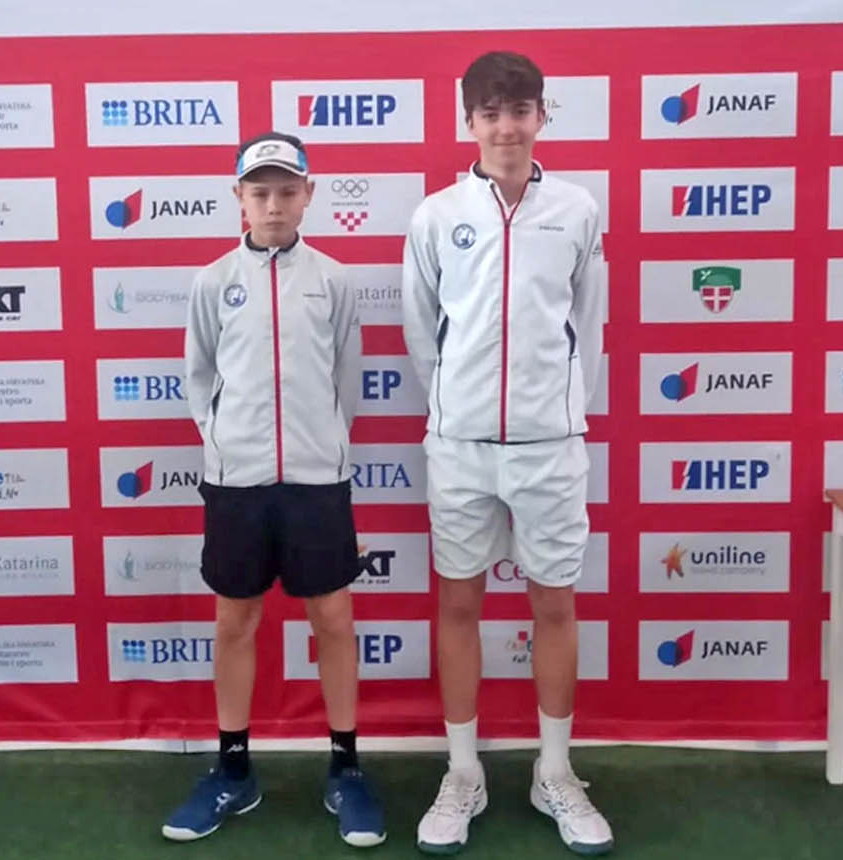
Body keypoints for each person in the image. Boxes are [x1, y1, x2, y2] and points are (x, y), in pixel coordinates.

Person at [402, 52, 612, 855]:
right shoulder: (435, 215)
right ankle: (464, 772)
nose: (506, 128)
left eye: (520, 111)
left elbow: (587, 325)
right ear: (468, 122)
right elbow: (424, 334)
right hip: (460, 446)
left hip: (550, 447)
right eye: (490, 113)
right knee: (458, 605)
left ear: (542, 116)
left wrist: (559, 413)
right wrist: (454, 411)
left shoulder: (577, 210)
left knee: (554, 606)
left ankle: (554, 771)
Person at [165, 131, 385, 848]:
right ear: (238, 197)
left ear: (308, 195)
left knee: (334, 619)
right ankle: (233, 770)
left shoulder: (335, 280)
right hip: (238, 483)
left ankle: (346, 769)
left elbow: (347, 378)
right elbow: (199, 376)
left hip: (318, 481)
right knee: (235, 620)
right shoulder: (212, 281)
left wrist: (326, 445)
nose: (273, 205)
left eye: (287, 191)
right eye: (259, 192)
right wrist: (225, 443)